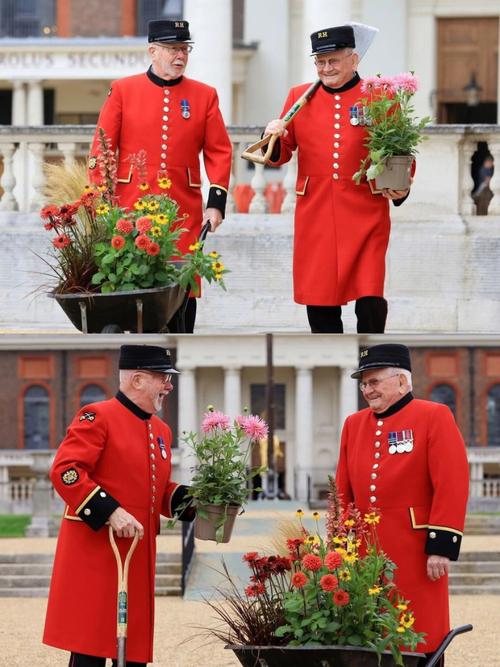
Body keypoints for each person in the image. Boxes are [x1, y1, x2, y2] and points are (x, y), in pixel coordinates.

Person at [43, 345, 194, 666]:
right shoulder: (98, 415)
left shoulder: (161, 430)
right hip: (99, 553)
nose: (169, 386)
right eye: (162, 378)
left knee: (134, 652)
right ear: (137, 380)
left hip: (138, 557)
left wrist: (199, 502)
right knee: (92, 648)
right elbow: (66, 471)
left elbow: (158, 490)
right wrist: (110, 510)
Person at [263, 24, 411, 334]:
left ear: (354, 60)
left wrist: (400, 188)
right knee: (319, 296)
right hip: (315, 211)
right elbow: (280, 153)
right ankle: (329, 368)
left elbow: (400, 149)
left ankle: (371, 361)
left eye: (334, 61)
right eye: (320, 61)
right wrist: (270, 136)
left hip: (365, 210)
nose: (326, 68)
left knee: (370, 293)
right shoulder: (298, 96)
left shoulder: (380, 95)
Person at [88, 20, 232, 333]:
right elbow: (102, 146)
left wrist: (216, 203)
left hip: (182, 206)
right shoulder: (123, 90)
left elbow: (219, 150)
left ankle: (181, 347)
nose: (180, 55)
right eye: (172, 49)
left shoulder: (205, 95)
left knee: (183, 281)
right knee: (134, 275)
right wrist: (101, 198)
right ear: (152, 51)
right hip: (130, 205)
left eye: (184, 49)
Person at [336, 343, 469, 665]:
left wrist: (442, 544)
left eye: (374, 381)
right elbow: (343, 490)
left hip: (416, 550)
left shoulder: (434, 415)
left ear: (401, 381)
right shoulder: (354, 424)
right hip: (366, 551)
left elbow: (452, 482)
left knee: (420, 632)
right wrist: (342, 540)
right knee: (370, 632)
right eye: (364, 383)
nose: (367, 390)